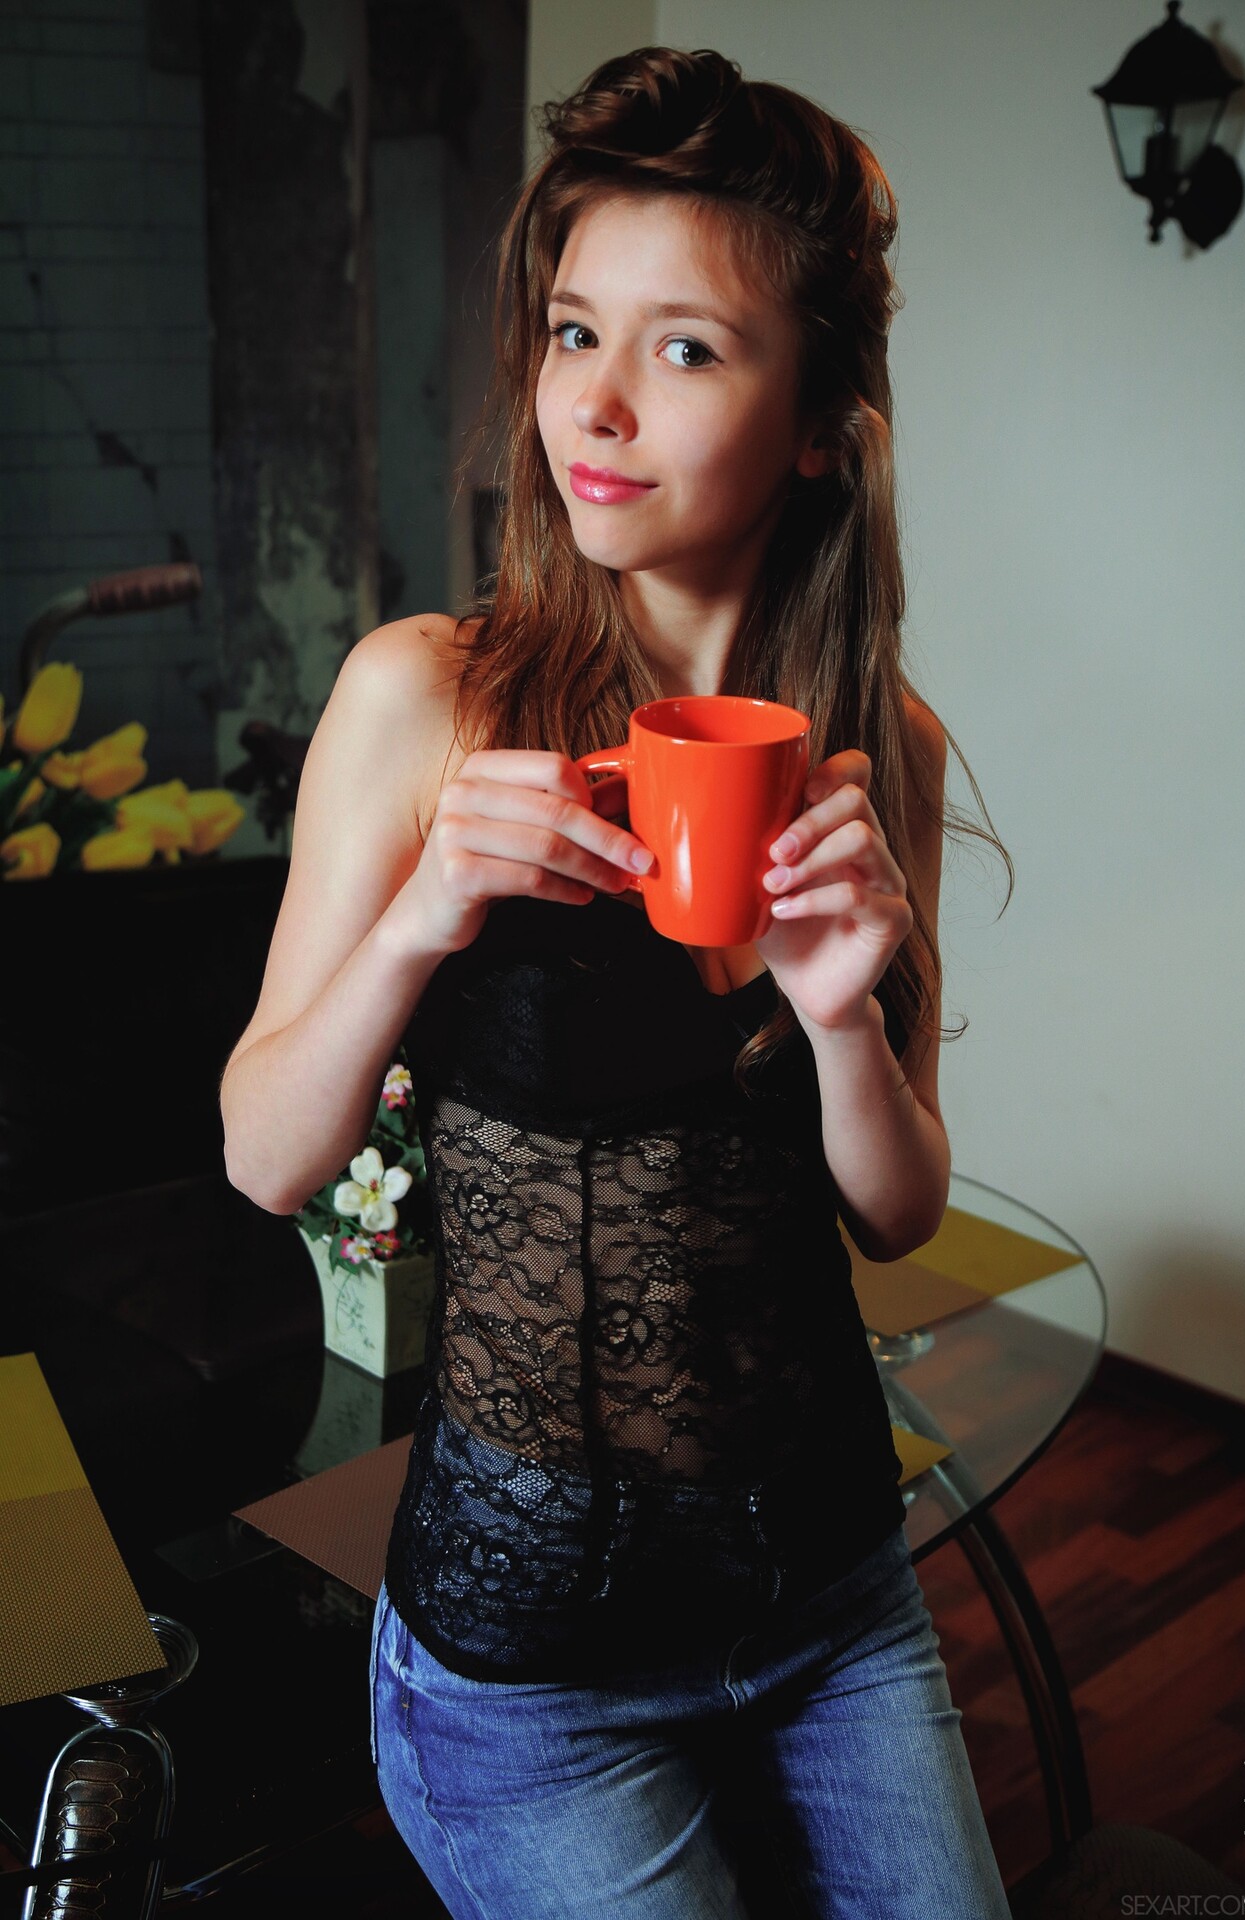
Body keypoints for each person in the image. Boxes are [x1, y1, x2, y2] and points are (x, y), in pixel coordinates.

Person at [221, 44, 1015, 1920]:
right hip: (532, 1678)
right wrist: (424, 912)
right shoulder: (424, 699)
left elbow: (897, 1214)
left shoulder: (879, 749)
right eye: (576, 331)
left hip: (836, 1597)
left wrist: (840, 1012)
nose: (594, 401)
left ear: (817, 423)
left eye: (688, 349)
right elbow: (264, 1155)